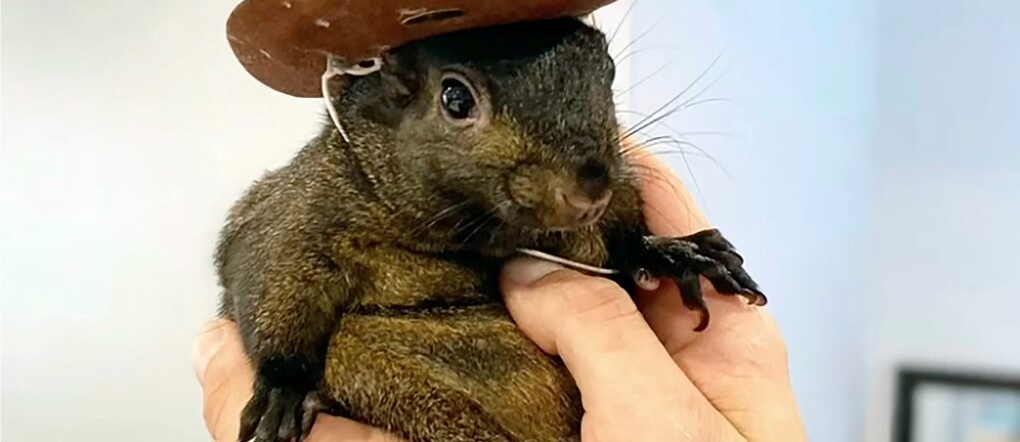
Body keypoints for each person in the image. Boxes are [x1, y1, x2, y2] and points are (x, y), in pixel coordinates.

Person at [192, 151, 807, 441]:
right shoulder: (335, 197)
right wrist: (285, 373)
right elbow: (263, 259)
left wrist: (642, 251)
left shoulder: (604, 179)